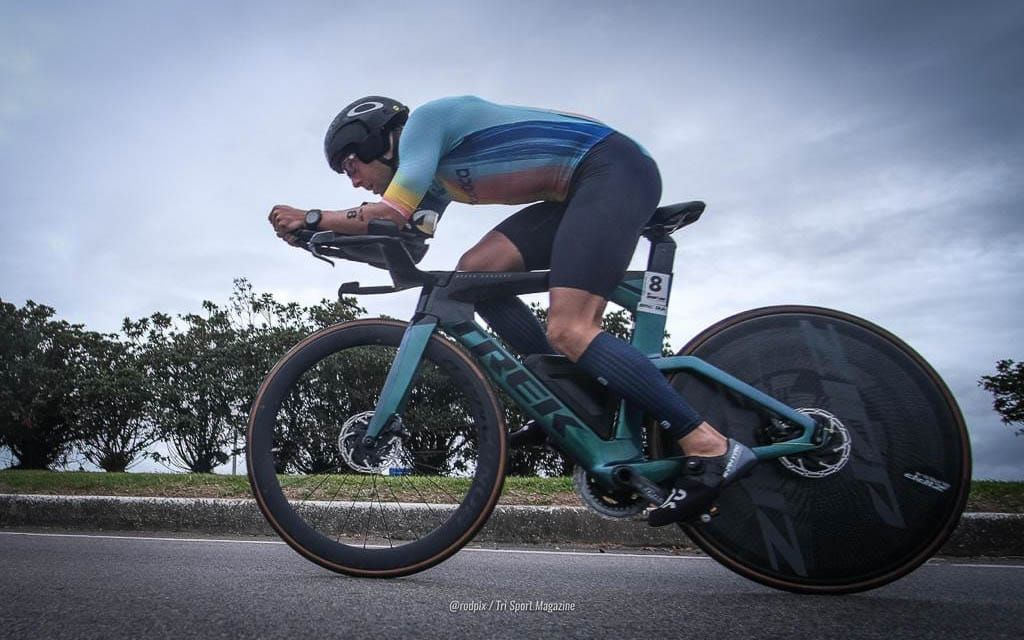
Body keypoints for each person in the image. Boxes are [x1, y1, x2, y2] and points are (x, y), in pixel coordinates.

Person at [267, 95, 756, 525]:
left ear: (378, 141)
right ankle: (565, 395)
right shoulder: (431, 181)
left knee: (570, 328)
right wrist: (317, 237)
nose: (354, 182)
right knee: (475, 274)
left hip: (611, 170)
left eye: (351, 166)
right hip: (579, 190)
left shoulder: (424, 126)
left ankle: (708, 445)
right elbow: (403, 244)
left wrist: (311, 215)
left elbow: (390, 215)